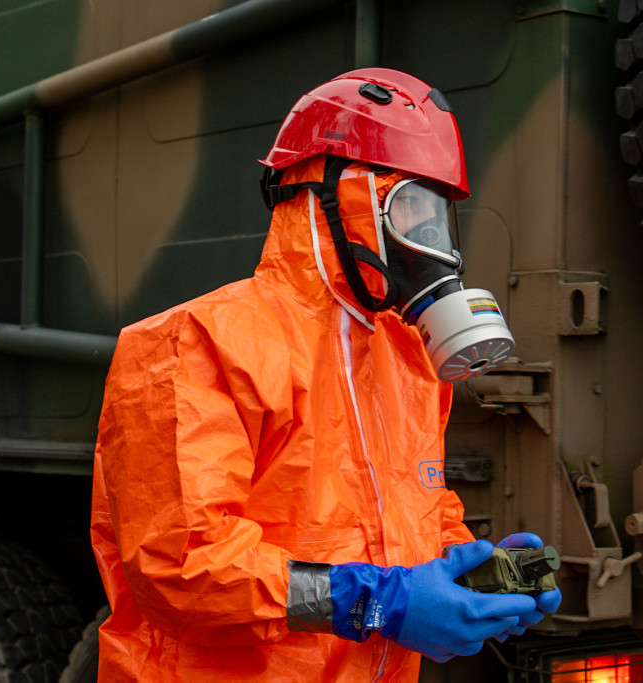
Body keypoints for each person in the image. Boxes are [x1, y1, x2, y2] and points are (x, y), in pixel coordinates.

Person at [89, 68, 561, 682]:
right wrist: (376, 602)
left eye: (437, 217)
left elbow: (413, 509)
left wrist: (466, 565)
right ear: (330, 200)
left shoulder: (406, 356)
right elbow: (182, 567)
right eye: (408, 208)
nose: (429, 242)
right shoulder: (194, 344)